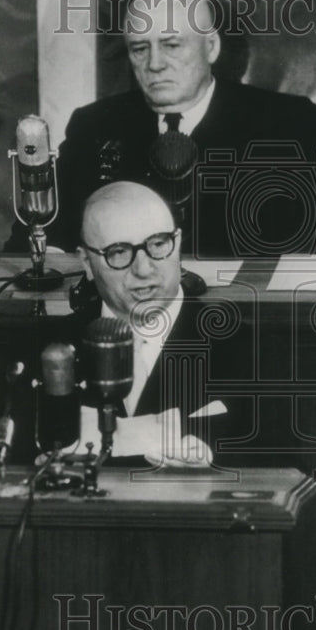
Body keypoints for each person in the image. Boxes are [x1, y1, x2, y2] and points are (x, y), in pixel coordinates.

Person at [5, 0, 316, 258]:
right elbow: (40, 234)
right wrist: (50, 259)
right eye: (140, 48)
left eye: (172, 45)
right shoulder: (95, 126)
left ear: (212, 47)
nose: (154, 64)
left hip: (252, 327)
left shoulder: (292, 122)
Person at [69, 180, 252, 464]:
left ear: (177, 243)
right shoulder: (51, 348)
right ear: (86, 263)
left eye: (157, 244)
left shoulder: (245, 347)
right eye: (118, 252)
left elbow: (290, 471)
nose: (143, 269)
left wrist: (212, 467)